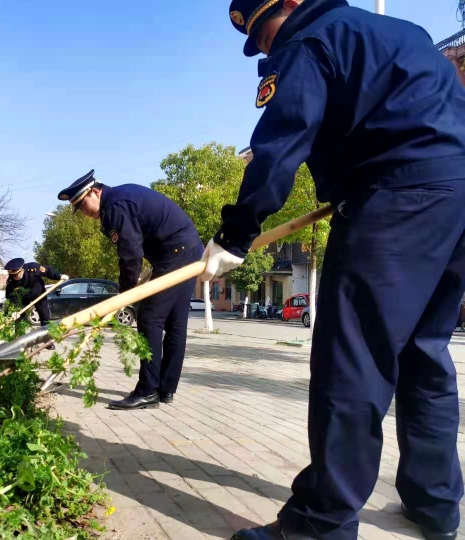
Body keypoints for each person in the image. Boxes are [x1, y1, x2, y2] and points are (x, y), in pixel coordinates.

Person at [202, 1, 465, 538]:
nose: (267, 46)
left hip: (397, 203)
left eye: (265, 31)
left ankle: (319, 525)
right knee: (424, 354)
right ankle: (435, 505)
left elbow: (283, 139)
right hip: (456, 197)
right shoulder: (401, 32)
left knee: (352, 362)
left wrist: (237, 229)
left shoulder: (310, 37)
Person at [58, 170, 203, 410]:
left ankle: (148, 391)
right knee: (175, 322)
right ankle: (164, 390)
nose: (83, 212)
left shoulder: (116, 207)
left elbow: (130, 255)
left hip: (175, 252)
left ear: (96, 192)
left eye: (83, 204)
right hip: (186, 249)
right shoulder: (119, 199)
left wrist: (124, 294)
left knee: (149, 318)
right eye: (79, 209)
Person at [4, 258, 67, 346]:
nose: (14, 277)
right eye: (12, 275)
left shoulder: (33, 268)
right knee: (19, 320)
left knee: (45, 318)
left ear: (21, 270)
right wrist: (15, 309)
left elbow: (48, 271)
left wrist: (59, 276)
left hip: (39, 295)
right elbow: (11, 296)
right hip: (23, 299)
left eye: (15, 275)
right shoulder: (11, 281)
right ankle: (20, 342)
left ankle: (47, 341)